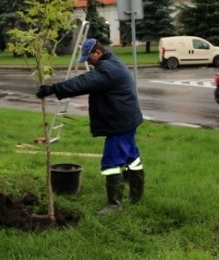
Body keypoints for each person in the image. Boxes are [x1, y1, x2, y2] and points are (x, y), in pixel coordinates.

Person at [36, 38, 144, 214]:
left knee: (112, 162)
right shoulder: (112, 62)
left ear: (98, 53)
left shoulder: (107, 69)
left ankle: (115, 205)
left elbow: (83, 82)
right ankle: (136, 196)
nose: (87, 61)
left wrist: (53, 89)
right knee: (132, 157)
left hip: (119, 123)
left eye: (89, 58)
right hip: (127, 119)